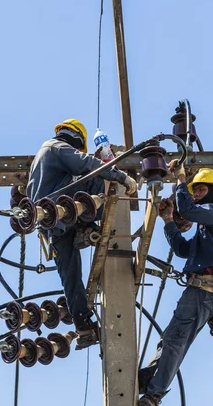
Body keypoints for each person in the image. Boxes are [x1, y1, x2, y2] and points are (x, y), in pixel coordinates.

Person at [138, 160, 213, 406]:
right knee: (171, 340)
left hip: (204, 293)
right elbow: (183, 250)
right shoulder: (208, 231)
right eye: (195, 191)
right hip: (200, 294)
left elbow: (188, 209)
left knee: (174, 341)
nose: (196, 195)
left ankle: (154, 392)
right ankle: (151, 379)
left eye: (201, 190)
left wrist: (180, 179)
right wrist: (167, 220)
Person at [27, 119, 137, 349]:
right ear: (76, 137)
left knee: (71, 277)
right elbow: (86, 164)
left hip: (52, 224)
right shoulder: (56, 147)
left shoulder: (40, 159)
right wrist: (120, 176)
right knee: (98, 175)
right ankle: (84, 227)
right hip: (62, 211)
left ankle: (84, 326)